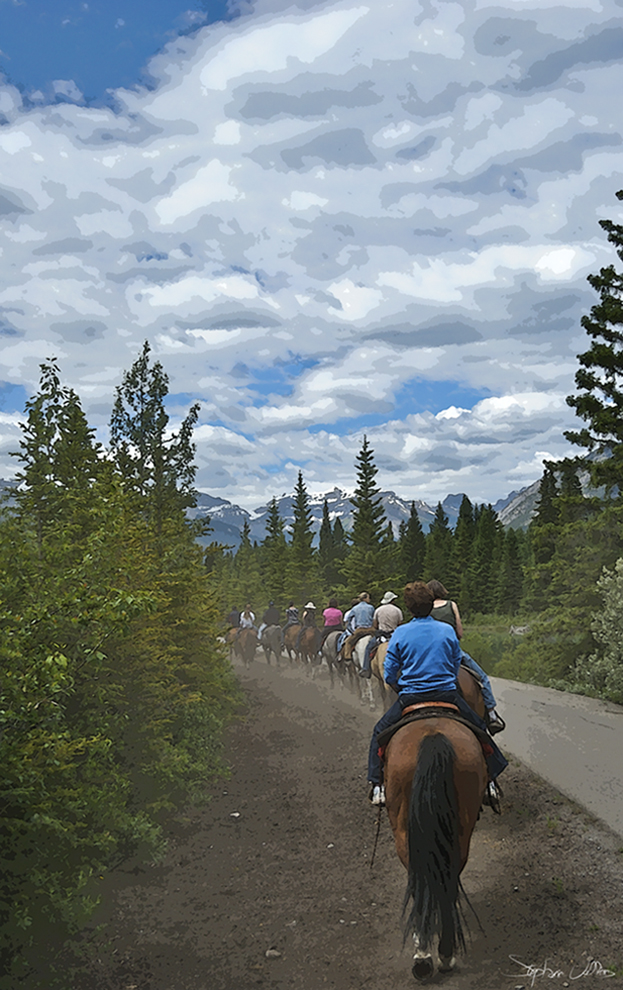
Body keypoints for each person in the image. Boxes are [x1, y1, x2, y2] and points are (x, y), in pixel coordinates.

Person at [367, 582, 508, 806]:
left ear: (410, 608)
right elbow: (454, 664)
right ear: (431, 605)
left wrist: (399, 687)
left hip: (411, 697)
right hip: (447, 694)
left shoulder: (401, 633)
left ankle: (377, 786)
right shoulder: (446, 630)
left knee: (379, 733)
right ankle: (490, 780)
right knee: (480, 731)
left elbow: (390, 672)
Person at [426, 579, 505, 735]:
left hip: (431, 655)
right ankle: (491, 714)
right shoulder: (451, 605)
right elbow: (460, 633)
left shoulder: (426, 609)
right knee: (482, 679)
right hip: (452, 652)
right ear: (442, 590)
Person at [359, 591, 403, 678]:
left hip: (382, 636)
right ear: (392, 600)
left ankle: (366, 669)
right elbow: (400, 625)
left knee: (368, 648)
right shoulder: (397, 610)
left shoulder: (378, 610)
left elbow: (375, 625)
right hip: (393, 636)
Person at [341, 592, 375, 660]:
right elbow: (374, 619)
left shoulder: (355, 608)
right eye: (368, 597)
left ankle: (348, 657)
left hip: (359, 630)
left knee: (348, 642)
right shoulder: (371, 607)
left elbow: (349, 620)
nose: (369, 599)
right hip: (371, 630)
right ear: (365, 598)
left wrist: (351, 630)